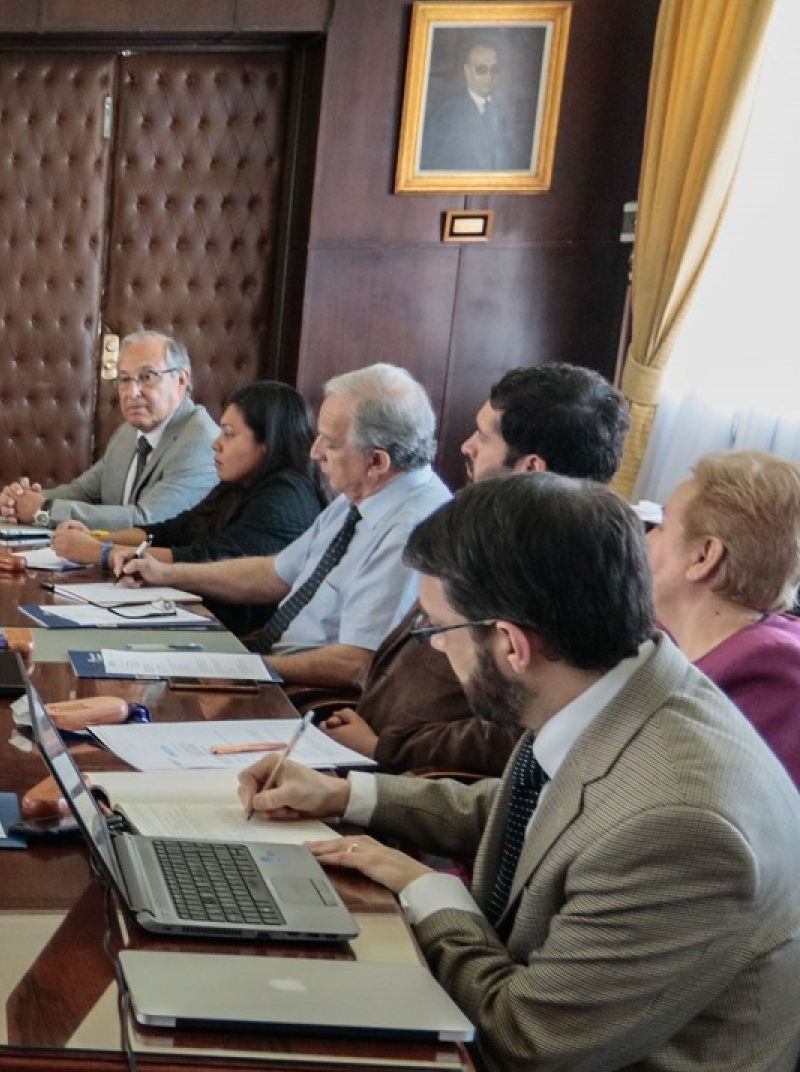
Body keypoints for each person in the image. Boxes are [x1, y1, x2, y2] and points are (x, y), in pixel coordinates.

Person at [239, 473, 800, 1070]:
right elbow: (536, 816)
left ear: (511, 644)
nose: (434, 648)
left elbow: (526, 1041)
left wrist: (428, 891)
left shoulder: (679, 824)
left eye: (436, 629)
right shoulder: (609, 687)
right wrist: (347, 795)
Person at [319, 364, 630, 777]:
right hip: (370, 749)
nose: (467, 446)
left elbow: (519, 730)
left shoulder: (557, 572)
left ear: (531, 468)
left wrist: (387, 748)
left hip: (415, 778)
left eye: (483, 437)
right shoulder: (488, 532)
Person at [120, 363, 450, 688]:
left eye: (330, 442)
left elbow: (356, 663)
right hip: (272, 660)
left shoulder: (412, 531)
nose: (315, 452)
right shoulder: (359, 495)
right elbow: (276, 573)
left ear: (376, 461)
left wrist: (240, 667)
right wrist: (165, 574)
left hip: (306, 689)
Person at [48, 381, 326, 633]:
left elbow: (212, 560)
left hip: (239, 637)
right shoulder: (240, 482)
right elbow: (174, 530)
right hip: (201, 618)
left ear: (268, 443)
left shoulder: (287, 497)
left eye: (229, 435)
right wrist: (98, 538)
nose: (216, 444)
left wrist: (102, 553)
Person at [649, 450, 800, 785]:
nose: (645, 539)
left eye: (660, 526)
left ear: (703, 557)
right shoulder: (668, 633)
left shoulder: (767, 673)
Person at [0, 331, 219, 531]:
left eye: (147, 377)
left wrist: (44, 510)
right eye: (124, 379)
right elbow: (85, 492)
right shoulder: (128, 433)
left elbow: (147, 520)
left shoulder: (201, 443)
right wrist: (23, 500)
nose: (132, 392)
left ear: (181, 380)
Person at [418, 39, 531, 172]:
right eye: (481, 70)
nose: (489, 76)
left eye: (494, 69)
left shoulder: (506, 111)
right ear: (467, 71)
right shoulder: (446, 116)